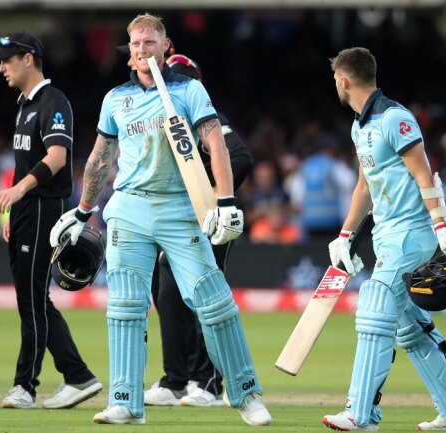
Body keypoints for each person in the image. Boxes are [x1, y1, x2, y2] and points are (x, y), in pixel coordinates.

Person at [50, 14, 271, 426]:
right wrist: (82, 212)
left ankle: (245, 394)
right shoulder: (116, 97)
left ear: (165, 46)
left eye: (149, 42)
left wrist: (224, 201)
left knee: (215, 302)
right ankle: (126, 401)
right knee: (125, 306)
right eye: (135, 43)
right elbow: (101, 158)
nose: (140, 49)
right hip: (129, 207)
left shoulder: (189, 90)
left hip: (179, 206)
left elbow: (216, 144)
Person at [322, 47, 446, 431]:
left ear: (344, 80)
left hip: (412, 234)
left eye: (335, 81)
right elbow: (364, 186)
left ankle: (362, 414)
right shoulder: (361, 125)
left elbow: (425, 175)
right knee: (411, 329)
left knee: (374, 305)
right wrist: (345, 235)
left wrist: (441, 226)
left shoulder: (395, 118)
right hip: (387, 236)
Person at [0, 31, 103, 410]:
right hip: (26, 211)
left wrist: (20, 192)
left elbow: (57, 157)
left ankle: (25, 386)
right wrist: (16, 211)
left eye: (7, 59)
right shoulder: (24, 103)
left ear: (29, 58)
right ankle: (78, 376)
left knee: (32, 300)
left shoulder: (53, 101)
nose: (1, 66)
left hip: (42, 208)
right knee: (34, 298)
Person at [142, 53, 255, 408]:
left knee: (204, 296)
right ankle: (176, 379)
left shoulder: (210, 118)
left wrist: (206, 193)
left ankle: (209, 382)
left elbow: (240, 157)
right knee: (167, 293)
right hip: (175, 220)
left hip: (209, 218)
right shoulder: (165, 118)